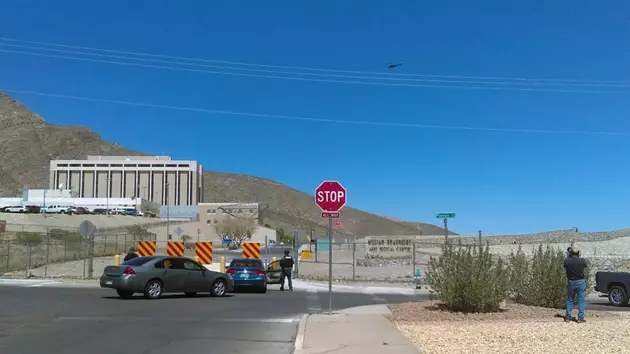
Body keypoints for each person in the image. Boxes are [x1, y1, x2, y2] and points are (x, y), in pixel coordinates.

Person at [564, 247, 588, 323]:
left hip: (571, 281)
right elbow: (584, 265)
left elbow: (566, 264)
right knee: (581, 300)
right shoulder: (582, 261)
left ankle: (568, 317)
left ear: (571, 253)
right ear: (578, 253)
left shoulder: (567, 261)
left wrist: (569, 256)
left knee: (570, 299)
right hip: (580, 281)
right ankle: (580, 318)